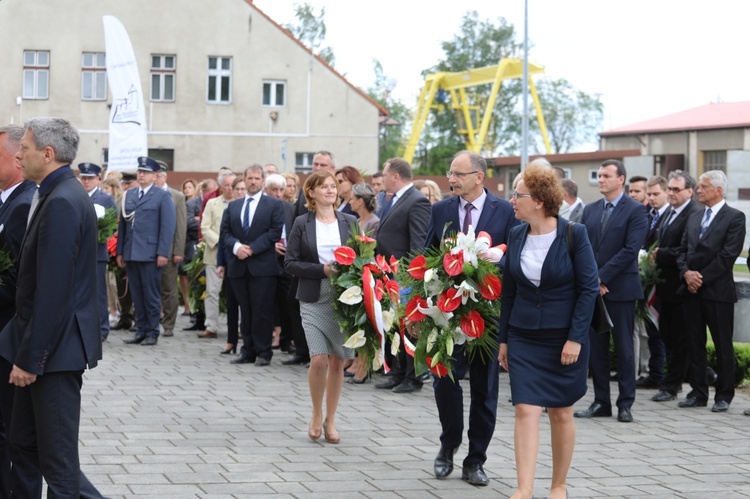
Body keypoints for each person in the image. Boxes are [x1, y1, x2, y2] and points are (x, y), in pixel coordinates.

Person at [0, 117, 103, 497]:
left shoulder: (62, 200)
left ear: (47, 153)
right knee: (24, 444)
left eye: (24, 147)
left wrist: (31, 359)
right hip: (42, 346)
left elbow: (54, 291)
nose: (19, 154)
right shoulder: (52, 192)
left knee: (58, 465)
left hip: (55, 352)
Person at [498, 164, 598, 499]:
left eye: (518, 194)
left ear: (539, 200)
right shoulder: (516, 234)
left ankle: (558, 485)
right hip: (524, 335)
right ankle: (524, 489)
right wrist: (504, 339)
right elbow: (508, 291)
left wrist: (576, 338)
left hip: (562, 337)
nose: (512, 200)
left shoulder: (574, 234)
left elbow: (588, 289)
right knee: (525, 408)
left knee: (560, 410)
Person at [425, 151, 517, 487]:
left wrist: (492, 262)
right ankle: (448, 445)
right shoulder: (441, 210)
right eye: (450, 173)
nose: (451, 179)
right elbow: (427, 255)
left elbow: (516, 256)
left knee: (485, 388)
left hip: (488, 315)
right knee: (444, 379)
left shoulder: (506, 211)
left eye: (458, 174)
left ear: (479, 176)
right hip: (448, 312)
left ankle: (476, 459)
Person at [284, 170, 358, 443]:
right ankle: (316, 413)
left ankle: (331, 419)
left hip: (345, 297)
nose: (330, 191)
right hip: (313, 294)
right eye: (323, 187)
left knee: (338, 361)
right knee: (318, 358)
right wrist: (322, 269)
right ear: (311, 193)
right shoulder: (302, 223)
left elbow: (363, 257)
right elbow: (289, 263)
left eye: (333, 186)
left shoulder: (350, 221)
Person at [575, 160, 647, 423]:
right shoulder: (591, 210)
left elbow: (631, 250)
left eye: (606, 175)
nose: (601, 179)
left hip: (621, 289)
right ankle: (601, 401)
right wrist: (592, 280)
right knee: (597, 349)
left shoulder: (636, 211)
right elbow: (584, 248)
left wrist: (601, 277)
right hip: (594, 290)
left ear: (621, 179)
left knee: (625, 349)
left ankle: (625, 403)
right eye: (600, 175)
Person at [676, 170, 745, 412]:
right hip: (691, 291)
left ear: (718, 190)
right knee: (694, 343)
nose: (698, 190)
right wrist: (686, 273)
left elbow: (727, 256)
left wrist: (699, 279)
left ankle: (724, 395)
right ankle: (698, 392)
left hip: (717, 292)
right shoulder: (695, 216)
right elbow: (682, 249)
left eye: (703, 186)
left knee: (722, 344)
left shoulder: (735, 217)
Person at [0, 124, 42, 498]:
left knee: (17, 434)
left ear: (17, 158)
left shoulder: (23, 204)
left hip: (11, 337)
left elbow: (15, 281)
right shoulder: (9, 200)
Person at [375, 158, 431, 394]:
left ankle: (413, 376)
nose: (383, 180)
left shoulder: (417, 201)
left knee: (410, 328)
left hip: (404, 276)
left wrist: (411, 276)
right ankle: (397, 372)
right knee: (393, 326)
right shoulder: (392, 199)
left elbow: (418, 242)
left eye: (386, 175)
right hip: (388, 274)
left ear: (396, 176)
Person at [221, 164, 284, 366]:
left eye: (257, 178)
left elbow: (274, 232)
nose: (253, 181)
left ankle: (264, 352)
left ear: (263, 180)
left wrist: (252, 248)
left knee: (262, 310)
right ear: (244, 179)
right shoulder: (233, 206)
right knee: (245, 310)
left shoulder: (273, 205)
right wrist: (237, 247)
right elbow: (225, 233)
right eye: (250, 178)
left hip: (263, 267)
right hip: (238, 266)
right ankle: (247, 350)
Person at [650, 170, 703, 403]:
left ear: (690, 192)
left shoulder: (695, 213)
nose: (670, 193)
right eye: (669, 189)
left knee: (680, 339)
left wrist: (661, 255)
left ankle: (671, 386)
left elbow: (691, 250)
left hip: (683, 288)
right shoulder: (669, 213)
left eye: (676, 190)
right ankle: (693, 376)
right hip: (666, 288)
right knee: (668, 335)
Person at [116, 156, 176, 346]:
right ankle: (141, 329)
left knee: (151, 295)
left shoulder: (162, 196)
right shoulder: (131, 194)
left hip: (151, 254)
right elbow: (124, 226)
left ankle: (152, 331)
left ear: (155, 176)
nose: (141, 175)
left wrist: (163, 253)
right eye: (140, 172)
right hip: (132, 251)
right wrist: (120, 252)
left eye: (146, 173)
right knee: (137, 294)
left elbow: (167, 227)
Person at [634, 176, 669, 388]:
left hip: (664, 281)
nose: (652, 198)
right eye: (650, 194)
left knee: (663, 332)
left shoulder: (669, 217)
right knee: (651, 330)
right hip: (646, 279)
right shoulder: (647, 215)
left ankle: (663, 374)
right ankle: (655, 374)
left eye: (656, 194)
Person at [78, 162, 118, 341]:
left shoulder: (106, 199)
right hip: (78, 252)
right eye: (83, 178)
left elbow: (112, 226)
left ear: (98, 179)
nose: (86, 182)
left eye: (90, 178)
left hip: (96, 251)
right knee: (79, 291)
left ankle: (102, 328)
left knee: (98, 292)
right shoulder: (77, 196)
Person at [345, 182, 380, 384]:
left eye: (352, 198)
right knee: (357, 320)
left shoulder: (374, 223)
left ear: (360, 201)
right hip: (355, 275)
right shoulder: (358, 221)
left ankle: (364, 365)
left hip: (368, 276)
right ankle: (358, 361)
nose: (349, 201)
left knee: (366, 321)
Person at [200, 170, 236, 339]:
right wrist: (222, 242)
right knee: (212, 292)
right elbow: (205, 227)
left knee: (237, 293)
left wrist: (233, 245)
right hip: (215, 253)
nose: (230, 188)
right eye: (226, 185)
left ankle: (239, 327)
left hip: (236, 254)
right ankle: (211, 326)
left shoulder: (241, 203)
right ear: (220, 186)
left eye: (232, 185)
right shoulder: (212, 203)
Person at [216, 177, 247, 354]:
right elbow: (223, 238)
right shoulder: (230, 209)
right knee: (232, 303)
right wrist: (221, 263)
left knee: (247, 304)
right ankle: (231, 340)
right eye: (238, 189)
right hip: (232, 261)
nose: (241, 192)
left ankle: (246, 338)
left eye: (244, 189)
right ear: (233, 191)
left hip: (250, 260)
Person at [155, 164, 187, 338]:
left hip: (169, 251)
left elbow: (181, 226)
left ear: (165, 177)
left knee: (169, 289)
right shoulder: (148, 195)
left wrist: (178, 251)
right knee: (152, 288)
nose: (156, 179)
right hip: (150, 251)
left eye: (159, 176)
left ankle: (169, 324)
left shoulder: (177, 197)